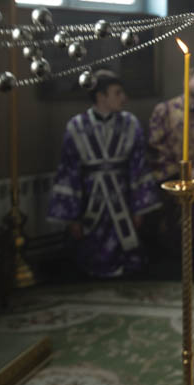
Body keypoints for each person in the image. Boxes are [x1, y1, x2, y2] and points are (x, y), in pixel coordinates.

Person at [47, 69, 159, 278]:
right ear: (100, 96)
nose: (124, 98)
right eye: (118, 93)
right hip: (90, 199)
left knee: (130, 256)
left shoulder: (131, 124)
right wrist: (73, 218)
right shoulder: (76, 126)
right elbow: (69, 172)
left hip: (122, 197)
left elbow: (138, 167)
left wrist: (139, 209)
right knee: (85, 256)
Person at [147, 67, 194, 233]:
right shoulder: (165, 111)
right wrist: (178, 174)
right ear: (186, 81)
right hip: (169, 177)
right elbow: (156, 147)